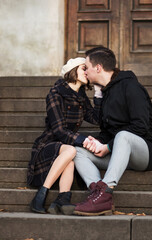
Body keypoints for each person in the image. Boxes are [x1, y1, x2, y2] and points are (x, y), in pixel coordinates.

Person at [73, 46, 152, 216]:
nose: (85, 71)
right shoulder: (105, 93)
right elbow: (108, 131)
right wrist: (99, 142)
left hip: (146, 152)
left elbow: (140, 127)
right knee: (78, 150)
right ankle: (97, 194)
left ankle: (106, 191)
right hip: (119, 153)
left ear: (98, 68)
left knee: (123, 136)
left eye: (87, 67)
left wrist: (108, 147)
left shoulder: (131, 87)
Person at [27, 57, 103, 215]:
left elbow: (96, 119)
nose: (87, 72)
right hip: (48, 146)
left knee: (70, 154)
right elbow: (59, 131)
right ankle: (41, 194)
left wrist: (98, 91)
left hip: (66, 147)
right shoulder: (55, 94)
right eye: (84, 68)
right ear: (72, 71)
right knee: (71, 151)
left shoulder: (81, 96)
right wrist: (83, 140)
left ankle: (61, 200)